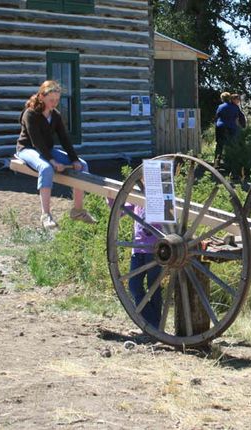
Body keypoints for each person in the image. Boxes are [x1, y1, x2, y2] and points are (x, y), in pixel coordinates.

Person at [16, 80, 96, 229]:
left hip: (46, 149)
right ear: (41, 97)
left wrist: (74, 159)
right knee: (46, 168)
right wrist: (52, 161)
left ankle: (78, 211)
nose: (55, 103)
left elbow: (64, 138)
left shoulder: (56, 115)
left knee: (83, 165)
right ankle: (45, 215)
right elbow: (36, 142)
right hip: (27, 149)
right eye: (51, 100)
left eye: (57, 100)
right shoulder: (31, 114)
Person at [108, 198, 163, 329]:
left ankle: (155, 326)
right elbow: (121, 212)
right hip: (137, 248)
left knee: (154, 287)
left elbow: (170, 216)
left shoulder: (157, 195)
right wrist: (109, 197)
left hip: (155, 249)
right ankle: (152, 322)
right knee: (134, 285)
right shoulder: (136, 198)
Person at [214, 91, 246, 167]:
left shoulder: (220, 106)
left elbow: (216, 117)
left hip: (220, 127)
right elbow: (241, 117)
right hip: (231, 127)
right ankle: (230, 163)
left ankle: (216, 163)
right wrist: (243, 126)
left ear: (222, 98)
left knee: (219, 145)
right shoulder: (235, 107)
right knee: (231, 145)